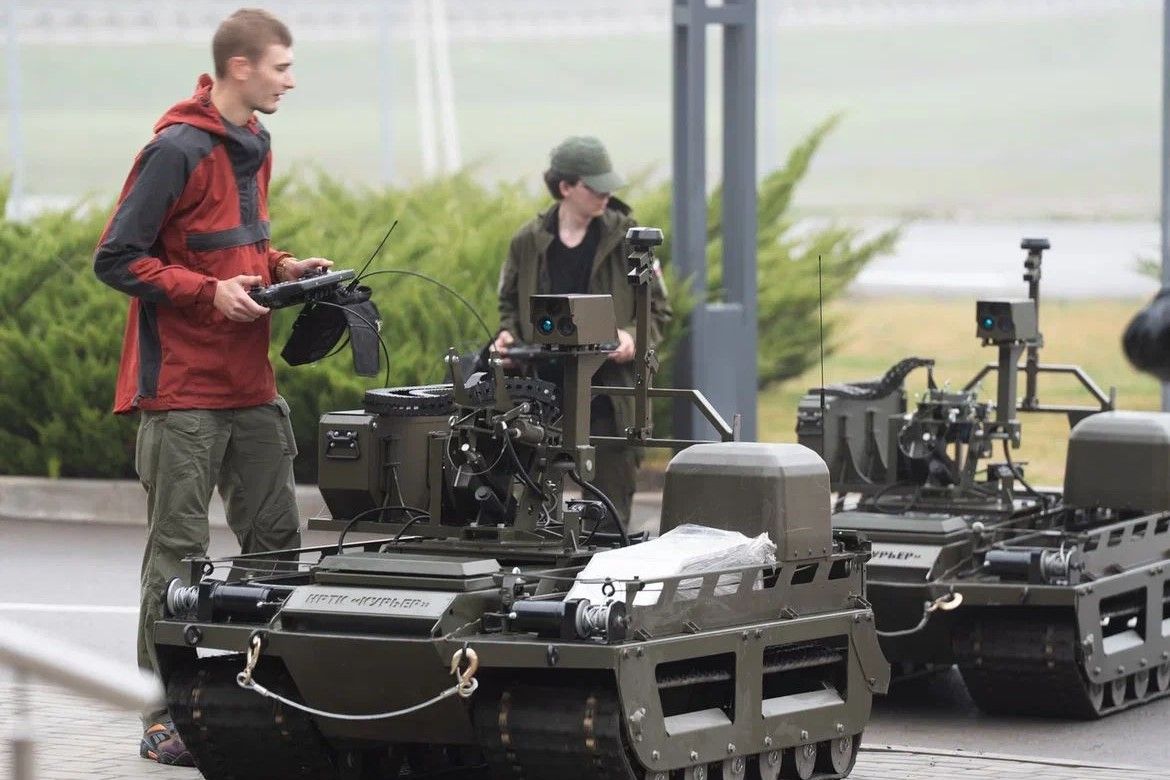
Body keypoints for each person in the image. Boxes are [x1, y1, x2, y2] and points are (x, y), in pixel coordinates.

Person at [93, 8, 330, 766]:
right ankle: (161, 714)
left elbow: (238, 244)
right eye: (281, 67)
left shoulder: (255, 141)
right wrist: (207, 293)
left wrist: (283, 267)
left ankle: (269, 698)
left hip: (250, 385)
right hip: (182, 391)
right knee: (179, 556)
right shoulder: (175, 149)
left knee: (277, 544)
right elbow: (116, 258)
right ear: (240, 67)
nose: (291, 81)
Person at [494, 136, 671, 530]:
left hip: (609, 394)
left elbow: (658, 308)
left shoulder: (630, 239)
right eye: (595, 187)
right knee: (530, 516)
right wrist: (508, 336)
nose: (606, 195)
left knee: (607, 517)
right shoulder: (527, 242)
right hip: (541, 395)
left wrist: (632, 336)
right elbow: (508, 303)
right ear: (565, 187)